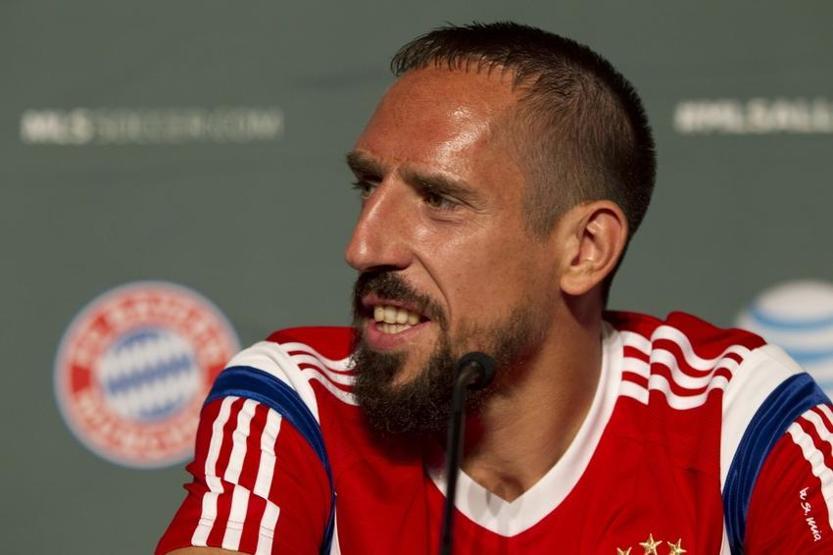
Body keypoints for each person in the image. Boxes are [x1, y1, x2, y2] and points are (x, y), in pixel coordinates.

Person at [157, 22, 833, 554]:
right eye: (368, 186)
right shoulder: (300, 397)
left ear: (584, 249)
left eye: (438, 200)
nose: (363, 247)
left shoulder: (730, 414)